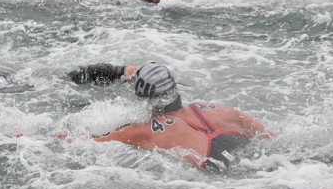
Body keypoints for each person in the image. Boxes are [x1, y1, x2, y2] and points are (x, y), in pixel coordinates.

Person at [63, 62, 269, 170]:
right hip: (259, 156)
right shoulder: (217, 107)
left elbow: (85, 143)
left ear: (143, 98)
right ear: (175, 87)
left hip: (216, 174)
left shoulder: (144, 130)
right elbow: (268, 136)